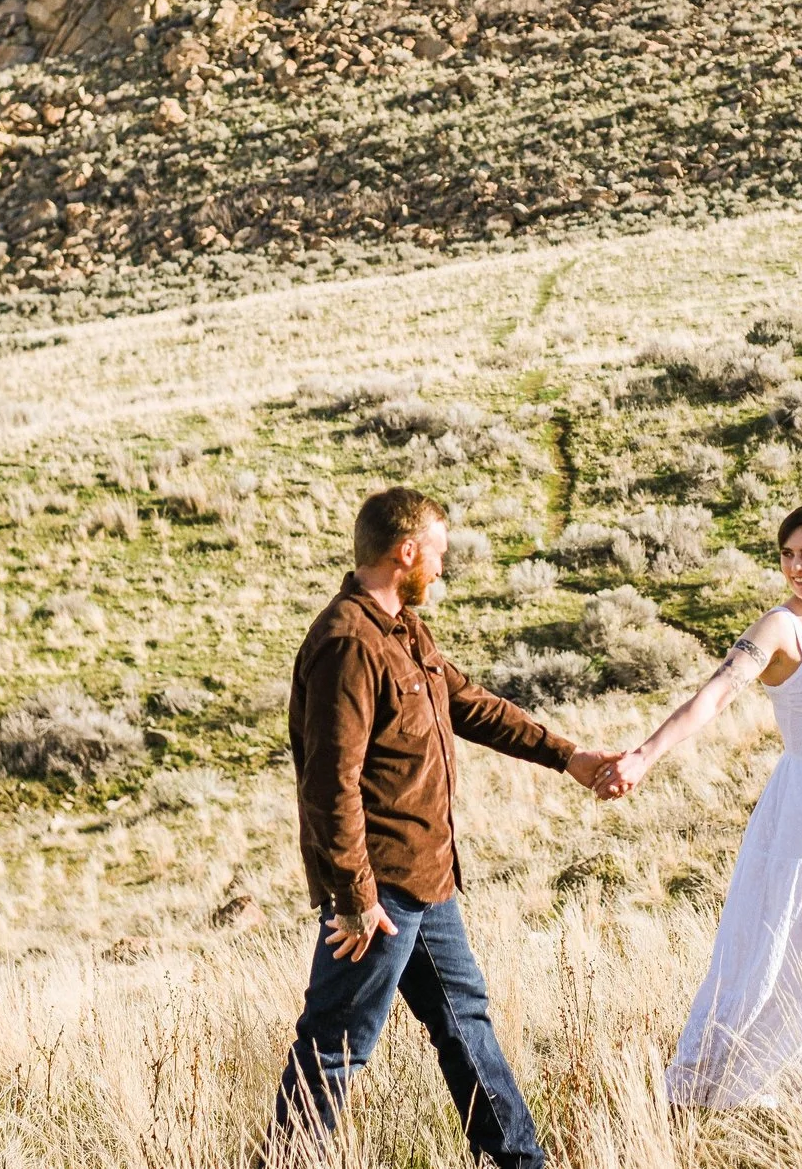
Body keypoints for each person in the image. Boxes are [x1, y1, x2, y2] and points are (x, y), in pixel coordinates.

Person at [266, 486, 618, 1169]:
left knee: (465, 1026)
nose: (443, 568)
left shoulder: (403, 630)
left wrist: (568, 756)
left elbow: (469, 702)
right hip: (380, 892)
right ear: (406, 552)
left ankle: (520, 1160)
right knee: (335, 1049)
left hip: (429, 882)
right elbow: (328, 783)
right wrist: (355, 896)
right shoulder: (346, 642)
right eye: (439, 553)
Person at [597, 500, 802, 1108]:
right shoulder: (778, 628)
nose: (796, 566)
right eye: (787, 554)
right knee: (781, 946)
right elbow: (714, 696)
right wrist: (643, 755)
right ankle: (708, 1088)